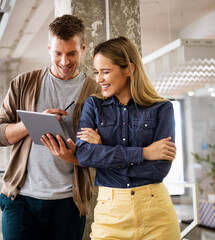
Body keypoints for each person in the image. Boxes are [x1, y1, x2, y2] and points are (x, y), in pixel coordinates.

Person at [41, 36, 181, 239]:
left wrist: (103, 149)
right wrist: (144, 152)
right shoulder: (94, 106)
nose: (98, 79)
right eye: (97, 72)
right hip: (110, 213)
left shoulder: (162, 108)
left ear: (129, 69)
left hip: (156, 213)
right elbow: (86, 155)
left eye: (106, 72)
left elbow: (159, 168)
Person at [0, 14, 101, 240]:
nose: (64, 61)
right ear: (49, 48)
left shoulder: (95, 92)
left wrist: (80, 151)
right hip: (20, 199)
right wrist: (32, 123)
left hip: (68, 203)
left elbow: (103, 153)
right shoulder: (24, 83)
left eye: (72, 53)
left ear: (83, 48)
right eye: (57, 53)